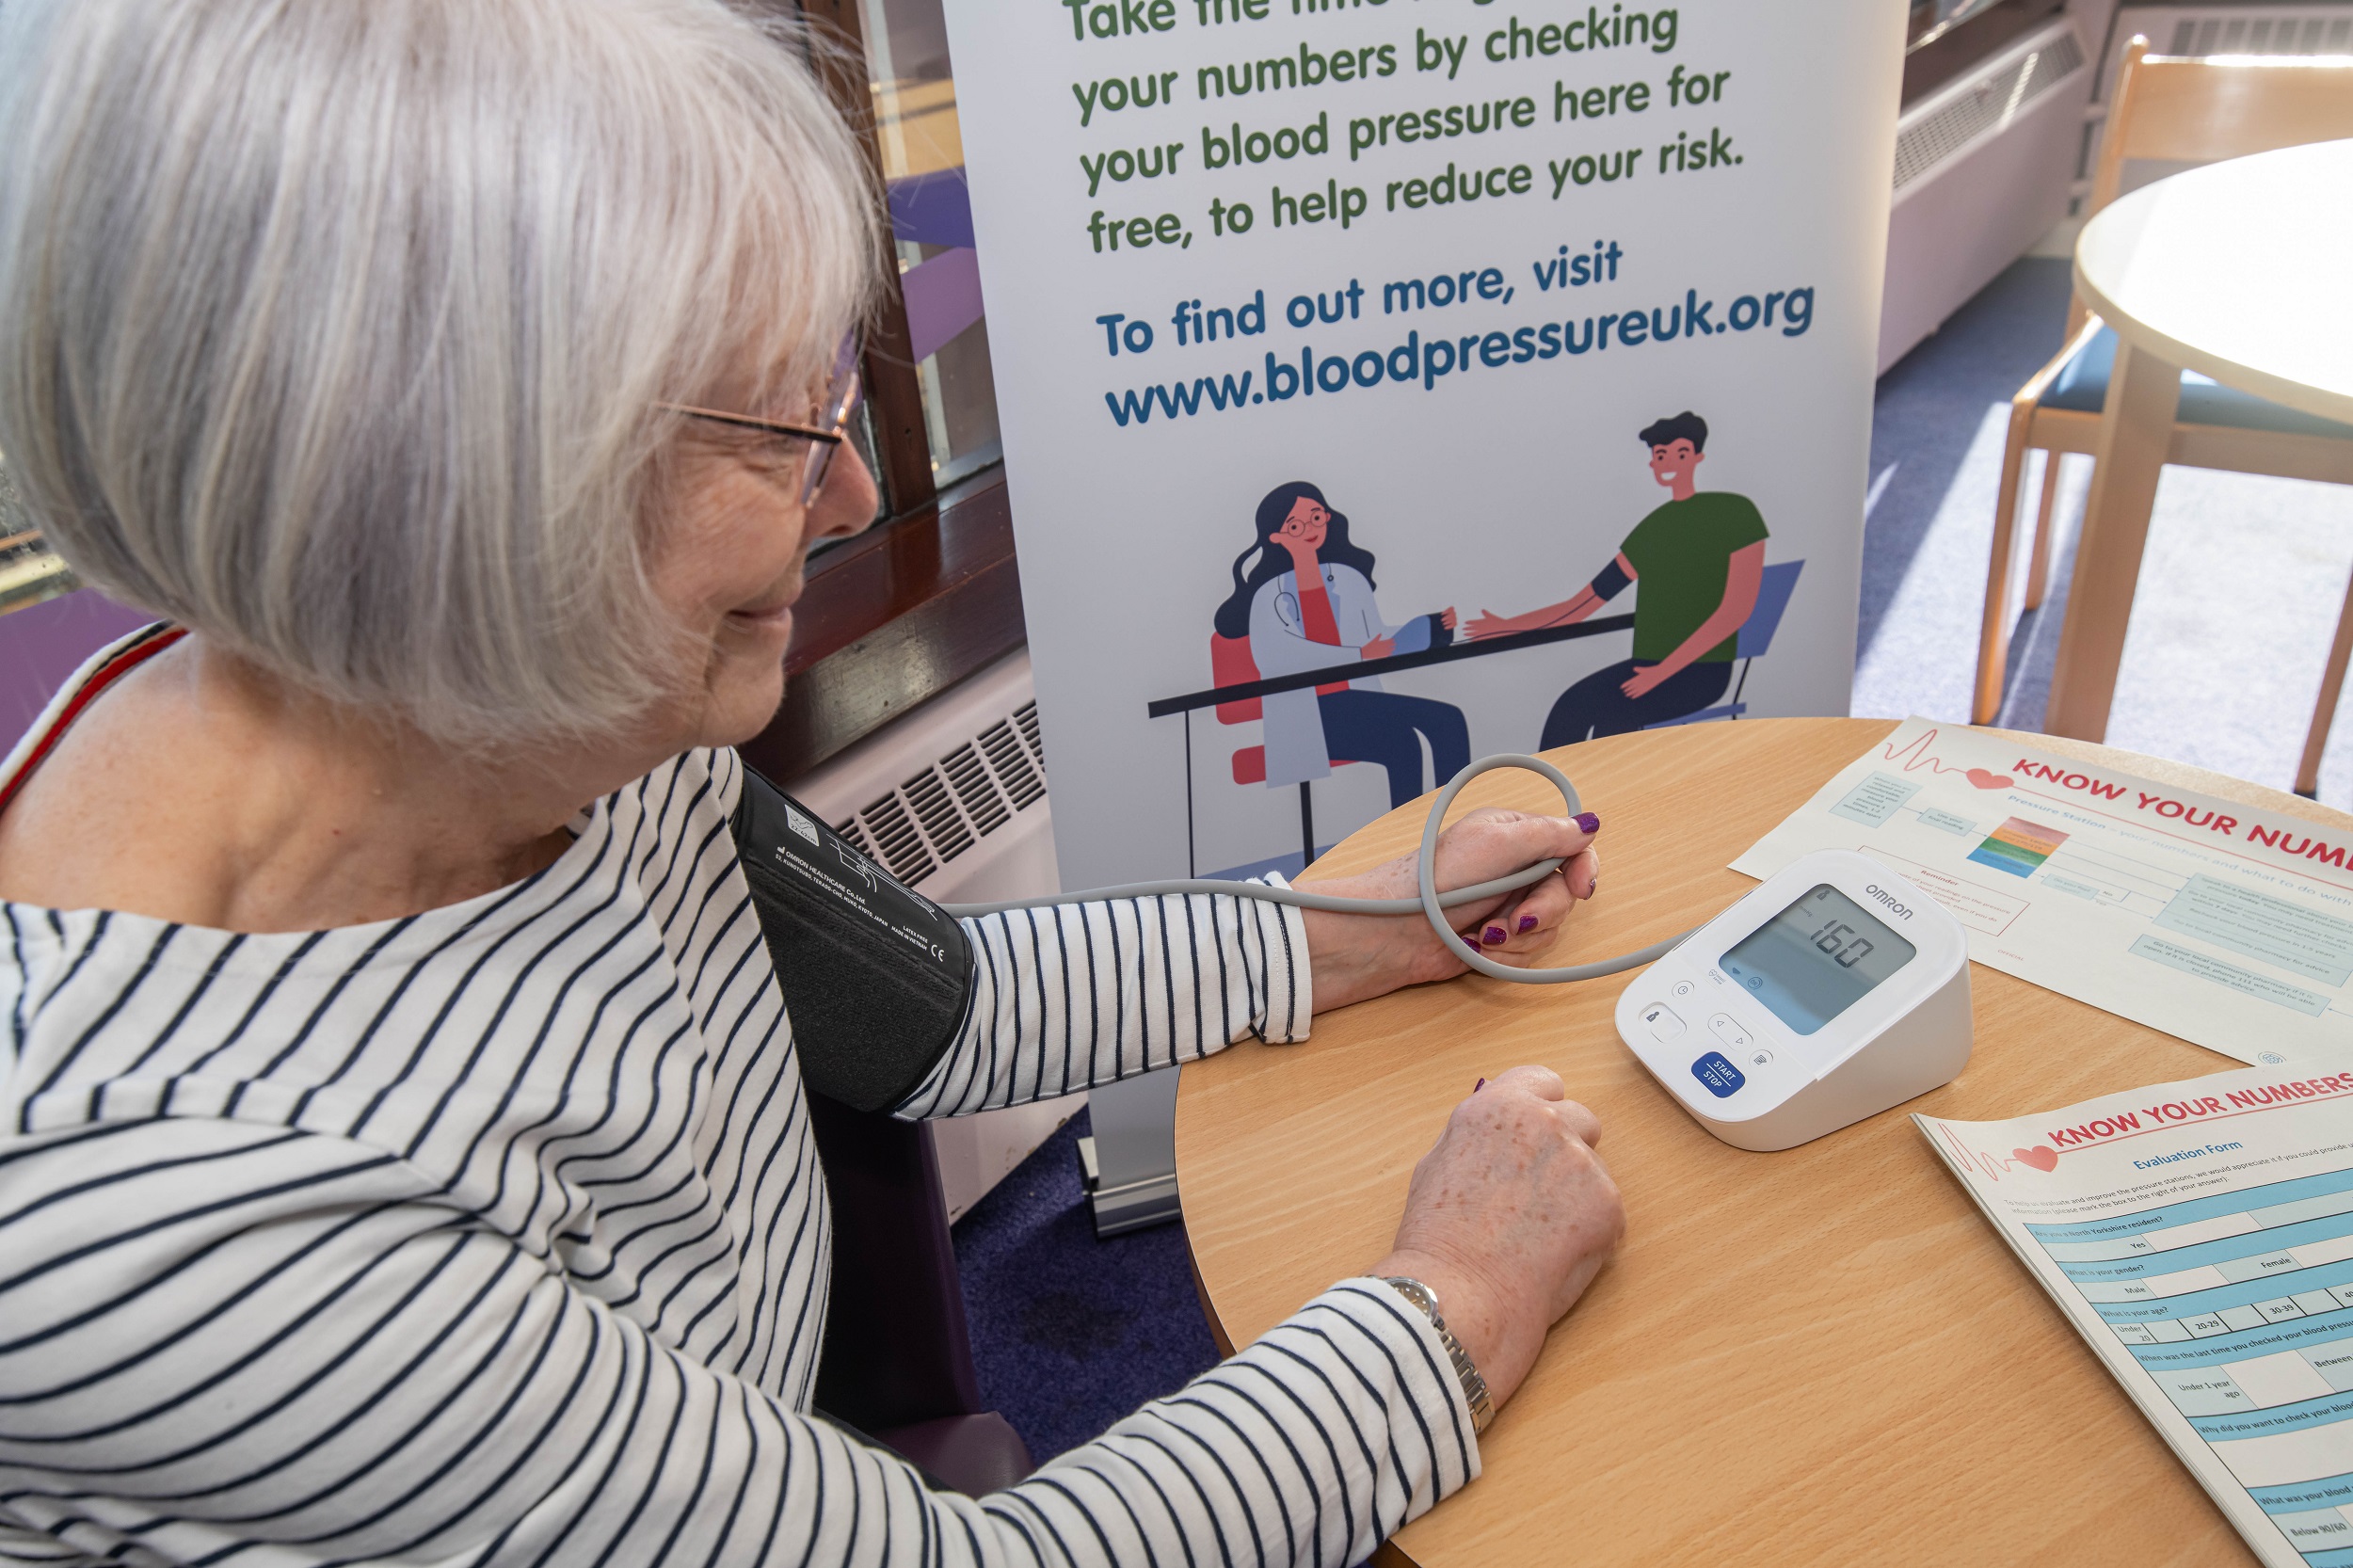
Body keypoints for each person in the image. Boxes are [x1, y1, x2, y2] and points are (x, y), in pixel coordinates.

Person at [0, 5, 1625, 1566]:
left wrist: (1389, 925)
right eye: (780, 429)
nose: (849, 490)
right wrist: (1454, 1300)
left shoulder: (510, 708)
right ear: (476, 500)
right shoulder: (179, 1222)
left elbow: (939, 1011)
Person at [1468, 411, 1769, 745]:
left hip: (1702, 671)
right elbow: (1581, 605)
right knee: (1568, 709)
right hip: (1646, 667)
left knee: (1613, 719)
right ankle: (1552, 797)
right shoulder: (1653, 529)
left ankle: (1613, 799)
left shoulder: (1736, 513)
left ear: (1697, 457)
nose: (1669, 462)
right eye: (1660, 455)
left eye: (1681, 453)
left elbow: (1735, 611)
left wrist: (1661, 674)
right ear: (1653, 465)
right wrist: (1508, 625)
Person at [1212, 481, 1470, 810]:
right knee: (1416, 736)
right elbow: (1277, 658)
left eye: (1316, 518)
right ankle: (1415, 840)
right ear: (1276, 537)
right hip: (1308, 713)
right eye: (1295, 525)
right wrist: (1359, 655)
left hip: (1357, 701)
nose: (1309, 530)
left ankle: (1454, 827)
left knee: (1438, 726)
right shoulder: (1267, 596)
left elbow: (1377, 639)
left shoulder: (1347, 579)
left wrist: (1431, 630)